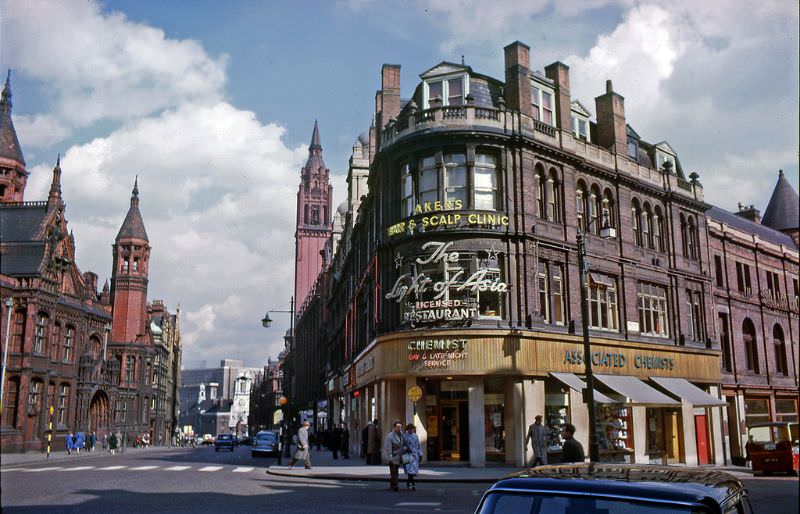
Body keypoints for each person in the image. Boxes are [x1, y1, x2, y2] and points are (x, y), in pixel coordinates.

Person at [382, 420, 404, 491]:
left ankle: (393, 484)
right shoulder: (390, 436)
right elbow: (389, 448)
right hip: (392, 456)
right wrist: (390, 457)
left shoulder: (402, 434)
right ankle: (395, 485)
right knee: (394, 471)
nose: (399, 428)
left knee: (395, 471)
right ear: (394, 427)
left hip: (398, 456)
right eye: (398, 427)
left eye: (400, 427)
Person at [402, 423, 423, 491]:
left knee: (413, 472)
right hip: (408, 455)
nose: (411, 430)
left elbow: (418, 446)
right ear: (407, 429)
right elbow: (402, 446)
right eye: (410, 429)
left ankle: (409, 483)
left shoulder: (415, 436)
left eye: (412, 429)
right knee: (410, 471)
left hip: (414, 455)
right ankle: (412, 484)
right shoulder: (404, 436)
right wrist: (406, 448)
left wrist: (420, 454)